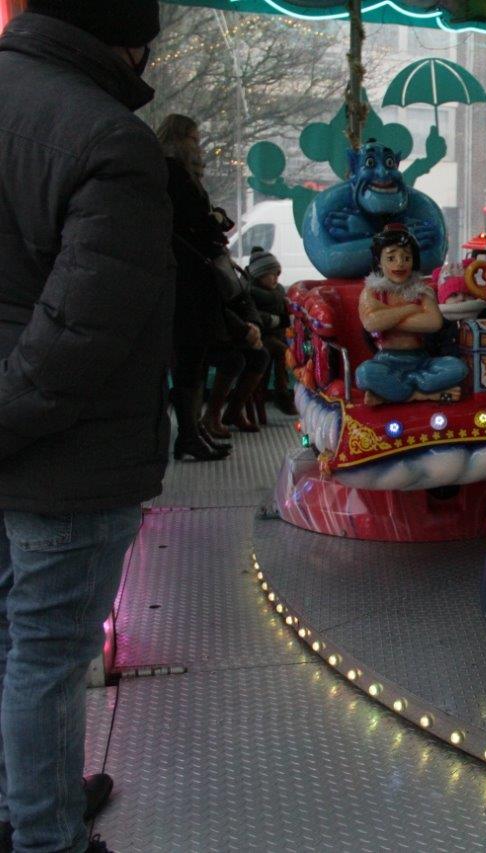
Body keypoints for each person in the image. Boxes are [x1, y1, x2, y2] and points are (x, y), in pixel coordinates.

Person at [0, 3, 170, 852]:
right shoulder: (109, 140)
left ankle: (26, 798)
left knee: (15, 642)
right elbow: (83, 333)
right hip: (65, 455)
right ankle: (45, 834)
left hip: (21, 438)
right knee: (48, 656)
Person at [157, 113, 233, 458]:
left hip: (188, 276)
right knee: (190, 358)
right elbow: (197, 222)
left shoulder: (169, 173)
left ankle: (193, 430)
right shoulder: (174, 174)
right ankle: (189, 432)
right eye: (193, 139)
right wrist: (214, 220)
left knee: (194, 359)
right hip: (190, 279)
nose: (198, 147)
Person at [356, 225, 468, 406]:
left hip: (420, 361)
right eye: (391, 258)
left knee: (457, 368)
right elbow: (371, 323)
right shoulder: (371, 292)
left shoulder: (422, 291)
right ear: (379, 262)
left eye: (406, 258)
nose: (400, 263)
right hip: (387, 361)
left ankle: (393, 392)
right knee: (364, 374)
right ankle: (422, 394)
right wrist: (410, 309)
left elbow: (433, 322)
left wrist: (387, 317)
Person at [245, 247, 298, 416]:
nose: (276, 278)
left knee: (284, 350)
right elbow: (255, 316)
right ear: (259, 275)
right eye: (271, 274)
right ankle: (281, 391)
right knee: (283, 351)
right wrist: (279, 320)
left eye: (277, 274)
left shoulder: (278, 291)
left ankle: (281, 390)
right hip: (259, 337)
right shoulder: (250, 292)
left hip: (277, 336)